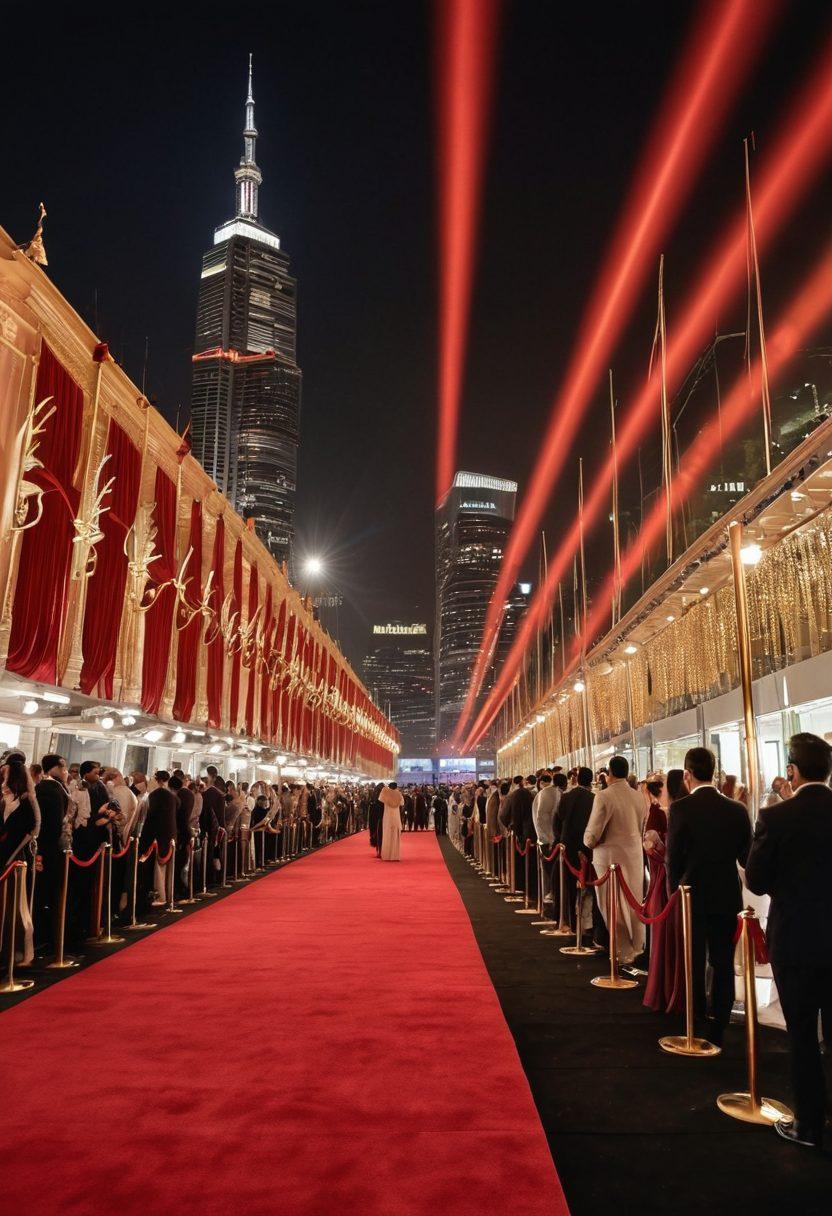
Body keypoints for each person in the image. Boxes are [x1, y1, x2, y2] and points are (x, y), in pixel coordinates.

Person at [745, 733, 832, 1149]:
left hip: (795, 937)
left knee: (801, 1033)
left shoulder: (775, 817)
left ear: (792, 771)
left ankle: (809, 1125)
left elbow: (758, 880)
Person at [667, 746, 751, 1046]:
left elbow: (672, 858)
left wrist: (672, 893)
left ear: (687, 775)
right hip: (727, 893)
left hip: (692, 894)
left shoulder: (680, 809)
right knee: (723, 960)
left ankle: (695, 1017)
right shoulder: (737, 810)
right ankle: (720, 1020)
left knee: (693, 958)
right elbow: (746, 857)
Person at [583, 755, 646, 965]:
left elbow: (592, 835)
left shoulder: (604, 796)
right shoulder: (639, 796)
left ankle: (621, 952)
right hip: (634, 856)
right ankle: (638, 947)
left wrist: (589, 842)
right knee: (633, 904)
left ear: (609, 773)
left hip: (609, 858)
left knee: (612, 906)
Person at [642, 772, 684, 1013]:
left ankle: (673, 992)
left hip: (668, 885)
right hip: (674, 884)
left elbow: (657, 851)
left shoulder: (664, 812)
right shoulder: (661, 811)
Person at [555, 766, 595, 931]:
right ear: (591, 781)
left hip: (568, 844)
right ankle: (587, 924)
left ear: (577, 779)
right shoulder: (594, 798)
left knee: (568, 886)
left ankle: (570, 921)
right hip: (586, 846)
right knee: (588, 885)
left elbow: (559, 817)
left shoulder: (566, 796)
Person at [532, 773, 559, 912]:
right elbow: (541, 817)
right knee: (548, 872)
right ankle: (547, 901)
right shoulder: (547, 794)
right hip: (547, 841)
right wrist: (548, 838)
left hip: (549, 840)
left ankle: (549, 899)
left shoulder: (546, 793)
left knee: (551, 871)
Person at [379, 782, 404, 861]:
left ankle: (386, 856)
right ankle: (395, 856)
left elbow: (380, 799)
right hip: (396, 817)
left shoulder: (385, 793)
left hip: (387, 817)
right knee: (395, 836)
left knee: (387, 835)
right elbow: (402, 803)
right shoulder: (399, 794)